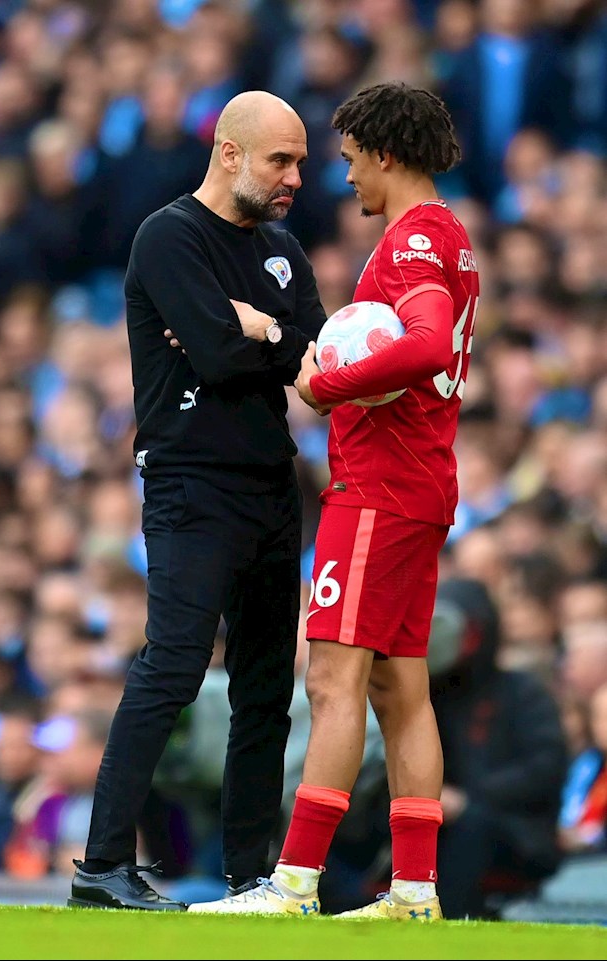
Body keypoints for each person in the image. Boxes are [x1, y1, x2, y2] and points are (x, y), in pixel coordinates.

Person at [187, 81, 479, 919]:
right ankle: (416, 890)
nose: (343, 177)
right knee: (400, 689)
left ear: (386, 154)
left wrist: (328, 385)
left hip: (381, 489)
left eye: (350, 160)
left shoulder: (414, 241)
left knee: (334, 680)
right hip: (420, 482)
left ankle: (294, 882)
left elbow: (422, 344)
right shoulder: (450, 237)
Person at [68, 90, 326, 911]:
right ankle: (102, 864)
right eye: (280, 160)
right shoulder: (169, 235)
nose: (295, 177)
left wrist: (261, 331)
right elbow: (215, 356)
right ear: (229, 154)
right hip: (192, 482)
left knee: (263, 688)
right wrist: (248, 337)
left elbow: (318, 369)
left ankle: (250, 877)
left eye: (300, 163)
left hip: (270, 484)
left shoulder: (283, 249)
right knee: (173, 666)